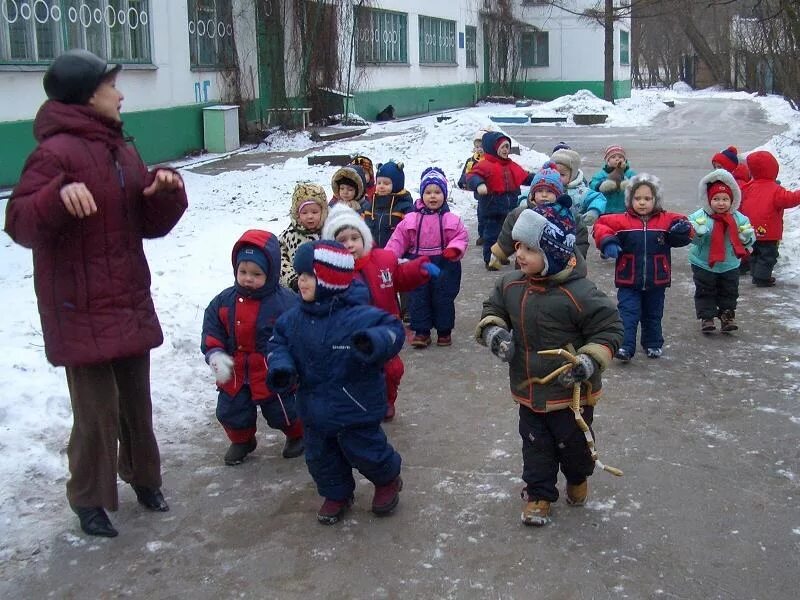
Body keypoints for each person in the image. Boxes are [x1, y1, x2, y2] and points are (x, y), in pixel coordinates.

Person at [4, 49, 188, 538]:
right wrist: (55, 196)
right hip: (79, 305)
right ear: (88, 95)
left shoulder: (120, 149)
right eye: (112, 86)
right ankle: (89, 500)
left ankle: (144, 480)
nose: (121, 93)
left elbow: (146, 223)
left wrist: (165, 192)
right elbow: (19, 222)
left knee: (136, 403)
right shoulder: (54, 153)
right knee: (96, 413)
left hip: (126, 294)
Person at [476, 206, 622, 526]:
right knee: (535, 448)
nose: (520, 255)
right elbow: (493, 309)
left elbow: (609, 329)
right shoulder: (510, 285)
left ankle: (578, 477)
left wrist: (588, 360)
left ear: (552, 253)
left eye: (530, 248)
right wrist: (494, 332)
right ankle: (539, 495)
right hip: (529, 389)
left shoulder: (580, 293)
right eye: (518, 247)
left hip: (571, 395)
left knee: (575, 450)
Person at [267, 240, 405, 525]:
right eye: (299, 275)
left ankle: (387, 478)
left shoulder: (357, 315)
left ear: (328, 280)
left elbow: (392, 329)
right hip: (313, 407)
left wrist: (373, 343)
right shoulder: (292, 320)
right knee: (320, 458)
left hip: (354, 404)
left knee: (367, 450)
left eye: (308, 276)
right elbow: (277, 342)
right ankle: (337, 493)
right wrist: (282, 366)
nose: (300, 281)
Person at [322, 204, 436, 420]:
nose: (349, 244)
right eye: (342, 240)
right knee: (358, 373)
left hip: (385, 329)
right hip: (352, 335)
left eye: (354, 238)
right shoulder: (331, 273)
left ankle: (387, 400)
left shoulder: (383, 260)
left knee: (391, 371)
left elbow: (399, 276)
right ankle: (360, 404)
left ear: (364, 237)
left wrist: (418, 269)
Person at [201, 230, 304, 465]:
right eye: (243, 272)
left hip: (271, 367)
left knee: (283, 408)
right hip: (235, 368)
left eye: (256, 274)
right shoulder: (224, 301)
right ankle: (242, 439)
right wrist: (215, 352)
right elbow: (212, 329)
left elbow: (298, 331)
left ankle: (298, 434)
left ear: (271, 273)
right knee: (231, 410)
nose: (248, 278)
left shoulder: (285, 302)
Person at [593, 174, 692, 361]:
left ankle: (653, 343)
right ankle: (625, 346)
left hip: (657, 278)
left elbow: (685, 225)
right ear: (630, 200)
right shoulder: (622, 220)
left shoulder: (665, 220)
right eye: (637, 198)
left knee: (653, 314)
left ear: (656, 200)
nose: (642, 203)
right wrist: (608, 242)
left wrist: (682, 230)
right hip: (628, 278)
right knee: (627, 313)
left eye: (647, 199)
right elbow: (601, 225)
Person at [385, 167, 469, 348]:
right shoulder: (411, 219)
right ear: (422, 194)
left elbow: (460, 236)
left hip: (444, 262)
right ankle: (422, 331)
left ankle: (444, 331)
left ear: (444, 195)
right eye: (428, 192)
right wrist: (389, 258)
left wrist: (454, 249)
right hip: (418, 263)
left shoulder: (451, 219)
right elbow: (398, 239)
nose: (433, 196)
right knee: (418, 297)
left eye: (437, 192)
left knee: (443, 297)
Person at [688, 170, 755, 332]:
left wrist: (745, 237)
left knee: (729, 291)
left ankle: (727, 316)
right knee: (705, 290)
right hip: (703, 263)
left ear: (732, 200)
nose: (721, 203)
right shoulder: (699, 217)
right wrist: (698, 233)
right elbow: (690, 237)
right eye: (716, 199)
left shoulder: (739, 218)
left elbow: (748, 240)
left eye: (725, 199)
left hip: (730, 264)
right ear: (708, 200)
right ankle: (707, 317)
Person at [492, 163, 586, 267]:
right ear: (533, 194)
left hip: (558, 266)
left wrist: (575, 260)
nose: (544, 195)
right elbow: (508, 234)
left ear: (558, 195)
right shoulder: (522, 214)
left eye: (550, 191)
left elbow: (580, 241)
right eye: (540, 191)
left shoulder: (568, 217)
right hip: (526, 265)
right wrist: (499, 253)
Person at [467, 131, 534, 269]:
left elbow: (524, 177)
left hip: (510, 208)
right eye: (502, 147)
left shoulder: (511, 165)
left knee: (510, 235)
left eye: (507, 147)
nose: (505, 150)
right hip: (492, 207)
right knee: (492, 235)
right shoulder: (484, 165)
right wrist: (479, 184)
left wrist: (539, 178)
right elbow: (472, 176)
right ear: (493, 148)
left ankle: (502, 255)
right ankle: (490, 259)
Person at [739, 150, 800, 287]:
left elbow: (741, 203)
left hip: (749, 229)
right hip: (769, 231)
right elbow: (789, 199)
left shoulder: (748, 188)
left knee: (754, 252)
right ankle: (762, 278)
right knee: (768, 255)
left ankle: (756, 273)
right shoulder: (775, 190)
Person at [279, 182, 328, 291]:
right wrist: (292, 280)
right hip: (299, 287)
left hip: (325, 285)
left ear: (323, 212)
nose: (310, 216)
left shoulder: (328, 232)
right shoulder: (290, 235)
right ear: (297, 214)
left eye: (315, 212)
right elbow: (281, 260)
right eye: (304, 213)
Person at [361, 160, 414, 249]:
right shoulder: (370, 206)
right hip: (373, 253)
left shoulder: (405, 207)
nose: (381, 186)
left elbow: (410, 234)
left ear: (397, 184)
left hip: (397, 253)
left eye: (386, 183)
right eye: (379, 183)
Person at [549, 147, 607, 226]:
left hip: (576, 231)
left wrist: (593, 211)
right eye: (554, 172)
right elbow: (530, 193)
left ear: (572, 175)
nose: (557, 177)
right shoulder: (545, 187)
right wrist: (527, 201)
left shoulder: (580, 192)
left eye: (562, 174)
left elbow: (598, 198)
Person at [458, 129, 487, 246]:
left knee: (490, 216)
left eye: (482, 146)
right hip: (479, 193)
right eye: (477, 146)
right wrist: (462, 181)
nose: (479, 149)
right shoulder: (471, 161)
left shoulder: (491, 160)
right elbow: (466, 173)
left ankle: (489, 235)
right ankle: (482, 235)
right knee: (481, 214)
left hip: (491, 192)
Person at [590, 145, 636, 215]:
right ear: (607, 161)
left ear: (624, 160)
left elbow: (638, 183)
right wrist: (602, 185)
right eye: (613, 157)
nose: (617, 159)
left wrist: (629, 184)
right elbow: (592, 185)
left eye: (620, 157)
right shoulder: (602, 174)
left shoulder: (629, 173)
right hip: (606, 209)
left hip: (625, 209)